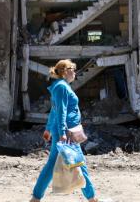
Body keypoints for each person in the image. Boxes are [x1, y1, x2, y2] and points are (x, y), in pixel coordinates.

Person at [30, 59, 98, 202]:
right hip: (67, 133)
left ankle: (36, 198)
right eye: (72, 69)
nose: (75, 72)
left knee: (52, 165)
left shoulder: (60, 86)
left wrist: (49, 129)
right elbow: (60, 111)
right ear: (65, 71)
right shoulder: (61, 87)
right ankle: (92, 198)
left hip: (66, 131)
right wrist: (61, 133)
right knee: (79, 162)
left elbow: (54, 111)